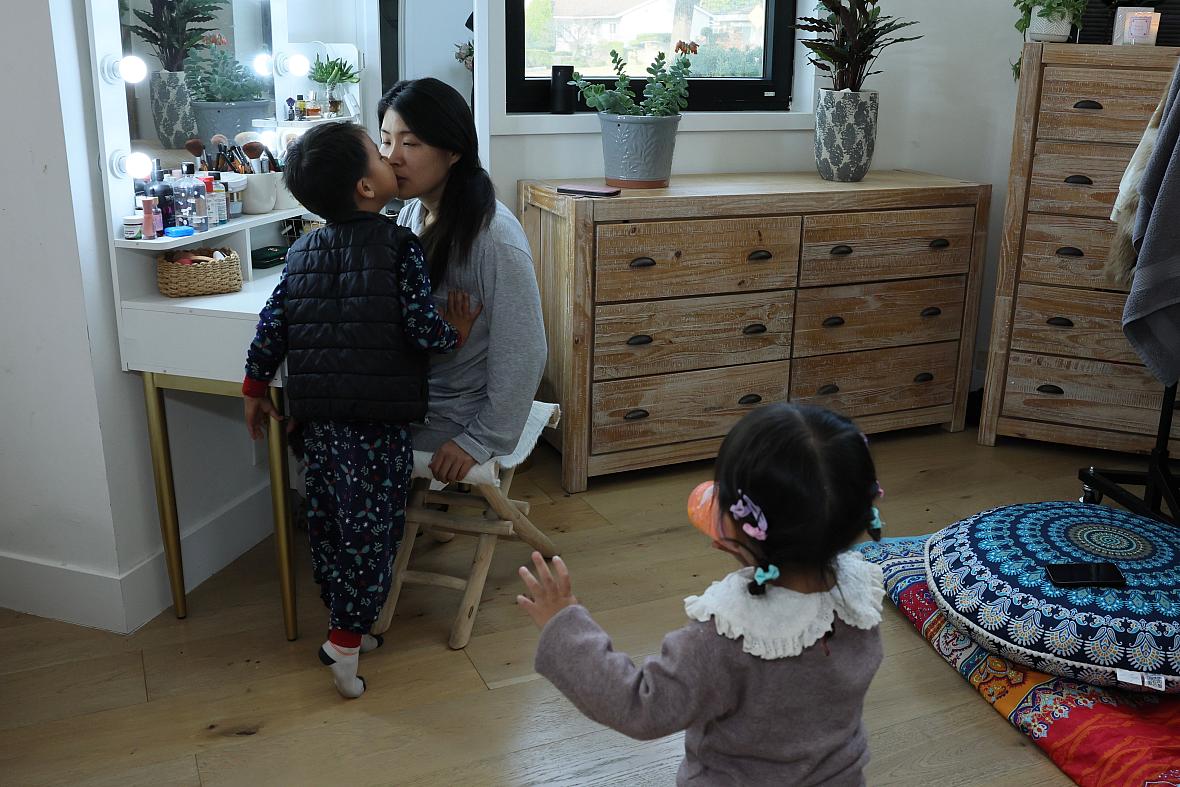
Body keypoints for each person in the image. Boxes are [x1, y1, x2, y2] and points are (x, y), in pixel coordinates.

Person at [517, 403, 887, 786]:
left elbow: (641, 705)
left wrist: (565, 626)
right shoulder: (862, 601)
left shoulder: (726, 637)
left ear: (742, 522)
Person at [240, 121, 480, 699]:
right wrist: (459, 333)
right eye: (379, 153)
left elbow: (273, 324)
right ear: (366, 189)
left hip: (318, 424)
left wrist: (253, 388)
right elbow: (421, 329)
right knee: (373, 534)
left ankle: (344, 625)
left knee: (328, 527)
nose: (391, 158)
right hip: (375, 427)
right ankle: (345, 643)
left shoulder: (301, 250)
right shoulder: (399, 247)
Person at [378, 78, 546, 483]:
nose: (392, 157)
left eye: (411, 144)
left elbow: (525, 352)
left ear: (453, 150)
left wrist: (479, 439)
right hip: (417, 400)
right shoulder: (410, 215)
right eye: (385, 141)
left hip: (460, 413)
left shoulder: (494, 240)